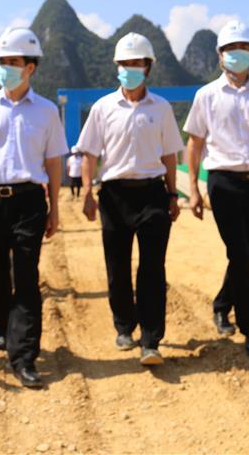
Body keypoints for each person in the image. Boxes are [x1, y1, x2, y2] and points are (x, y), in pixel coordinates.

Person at [0, 27, 69, 389]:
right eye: (2, 61)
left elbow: (54, 163)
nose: (5, 67)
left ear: (30, 67)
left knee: (26, 276)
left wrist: (54, 207)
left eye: (13, 61)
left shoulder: (47, 112)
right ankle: (3, 329)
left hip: (29, 202)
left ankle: (24, 357)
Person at [76, 33, 184, 366]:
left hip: (152, 194)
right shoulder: (103, 108)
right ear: (117, 67)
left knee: (152, 268)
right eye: (124, 63)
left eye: (136, 63)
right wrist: (86, 193)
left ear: (147, 67)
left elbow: (169, 155)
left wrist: (172, 194)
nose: (129, 69)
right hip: (114, 195)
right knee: (117, 266)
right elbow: (89, 153)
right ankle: (124, 326)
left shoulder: (161, 108)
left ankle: (151, 340)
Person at [183, 20, 249, 358]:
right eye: (230, 49)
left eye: (243, 48)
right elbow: (194, 144)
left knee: (243, 253)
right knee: (240, 253)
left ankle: (221, 304)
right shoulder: (206, 96)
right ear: (219, 55)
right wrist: (194, 188)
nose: (236, 54)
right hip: (223, 183)